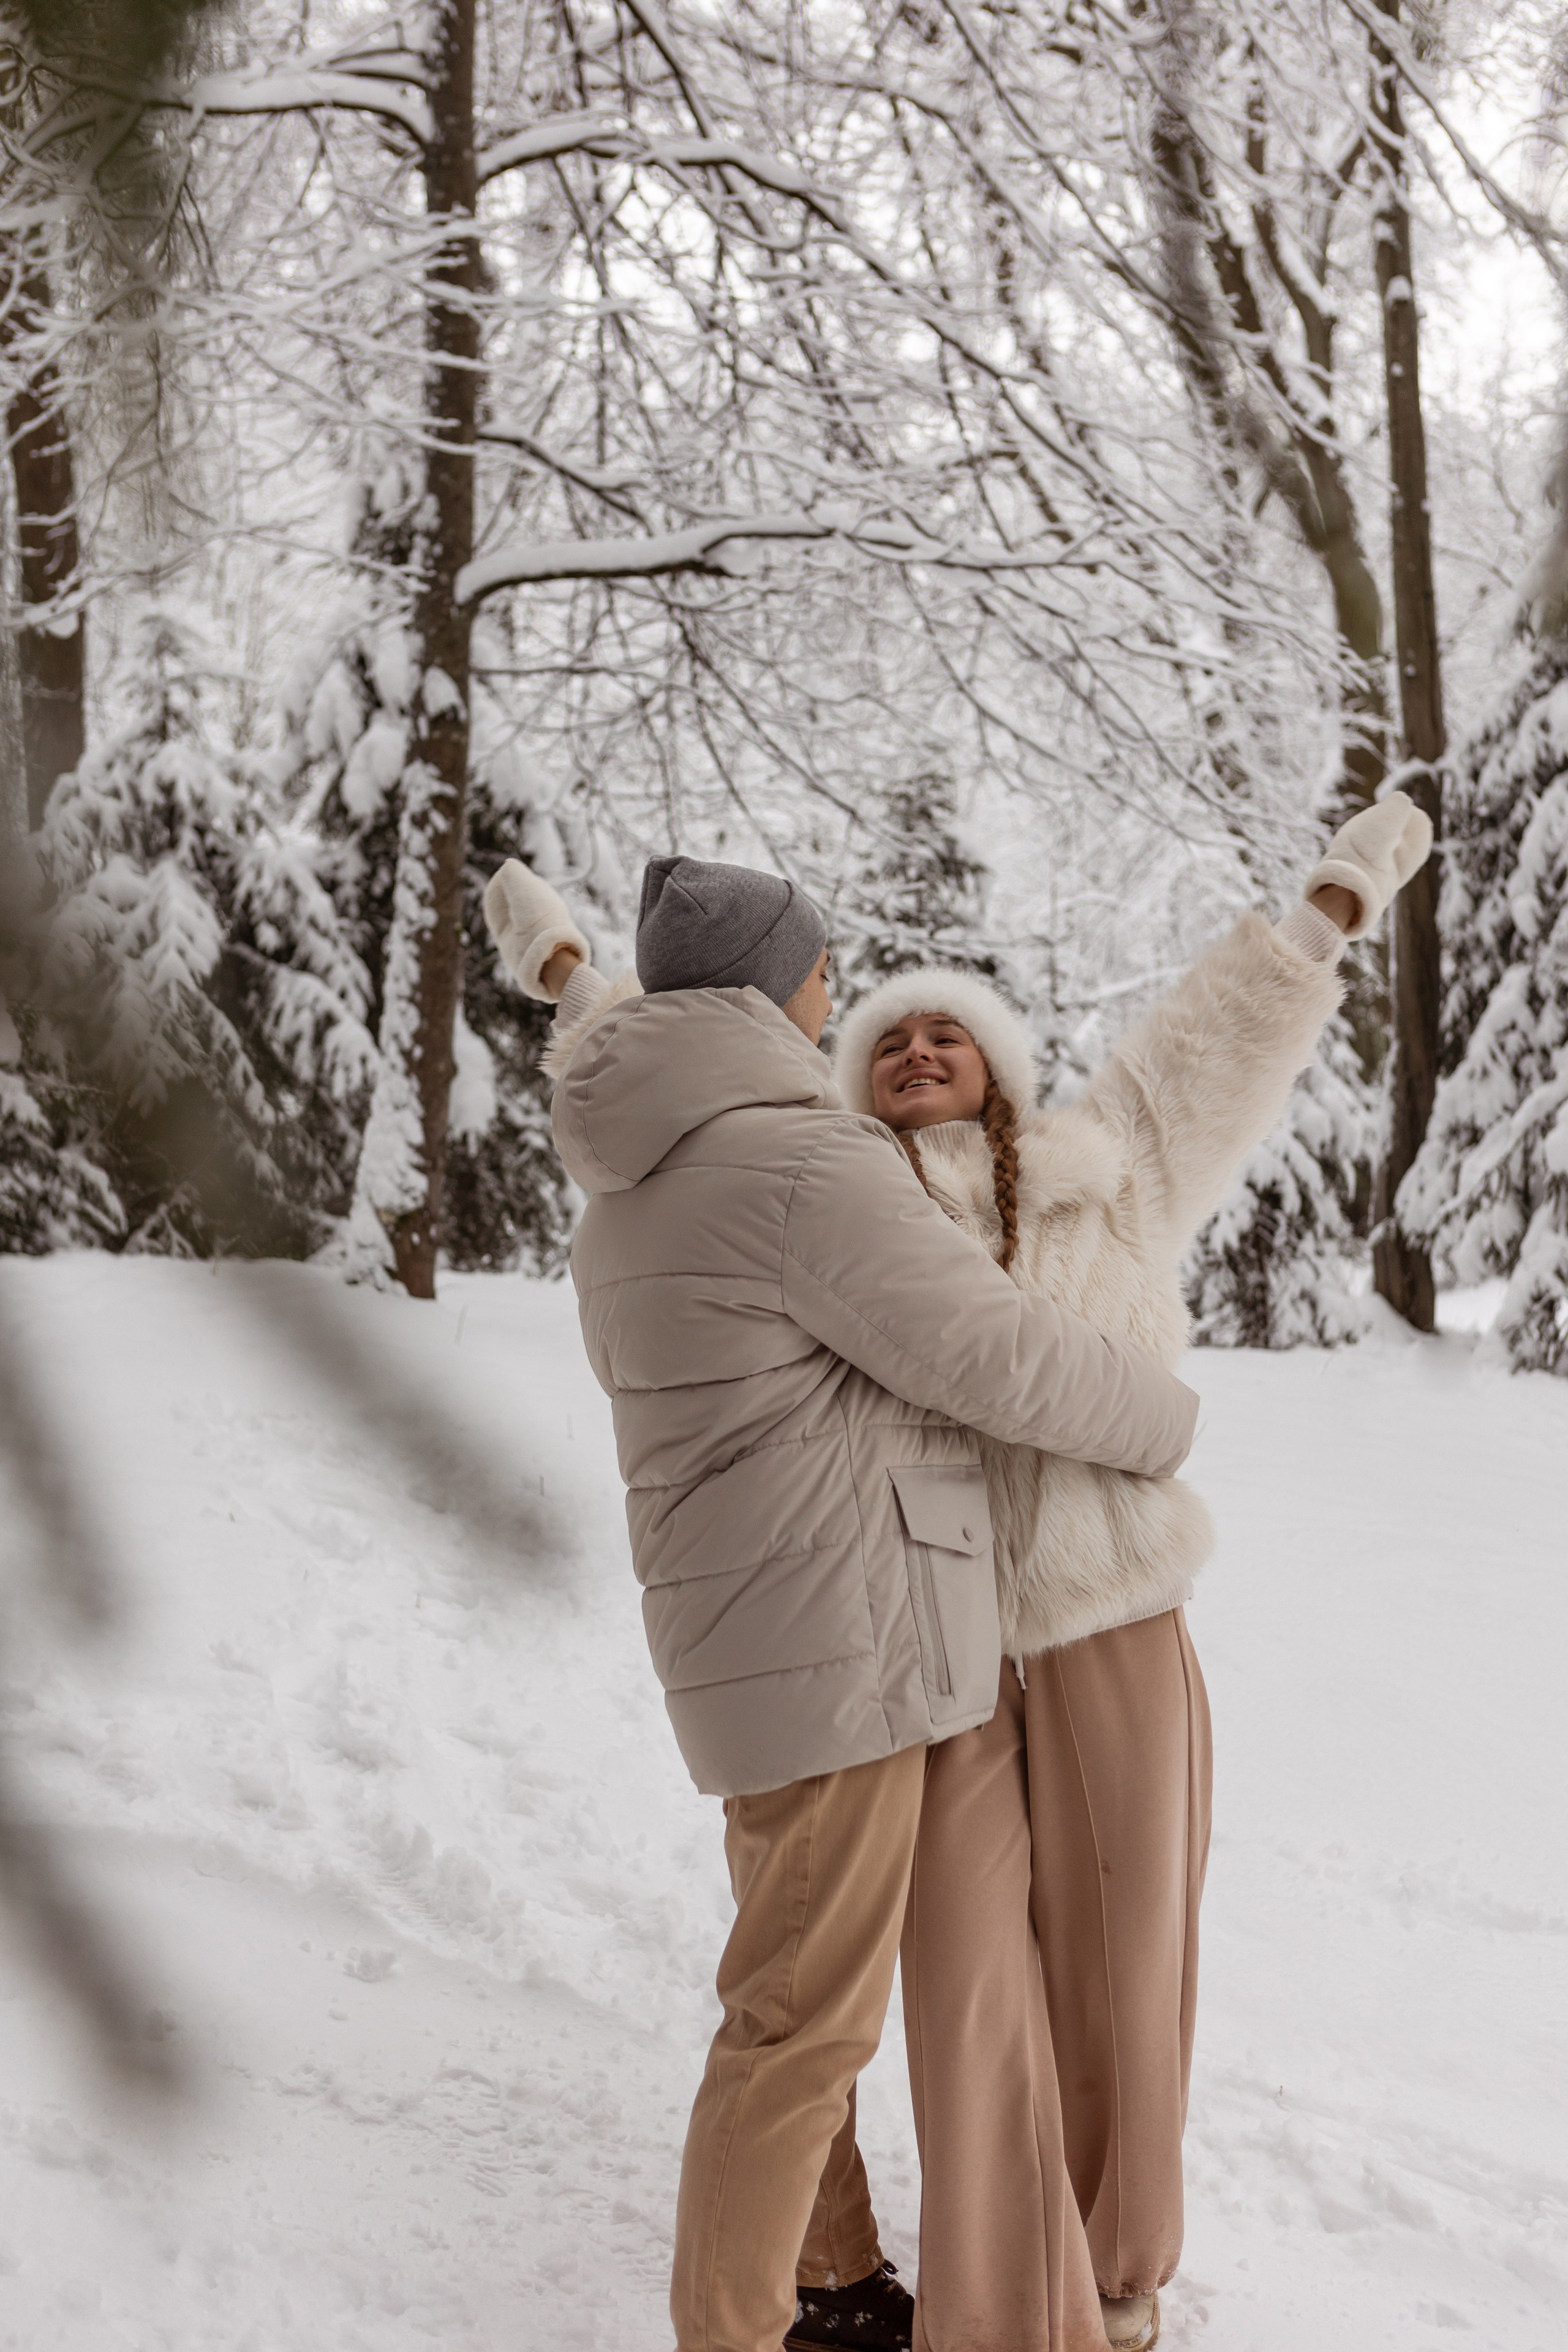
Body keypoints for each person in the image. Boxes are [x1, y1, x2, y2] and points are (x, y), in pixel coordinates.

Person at [483, 850, 1201, 2352]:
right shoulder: (806, 1166)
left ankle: (829, 2277)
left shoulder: (630, 1182)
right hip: (840, 1649)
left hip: (739, 1650)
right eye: (822, 971)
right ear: (775, 986)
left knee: (788, 1988)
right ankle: (736, 2327)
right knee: (795, 2033)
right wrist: (1160, 1422)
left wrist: (559, 967)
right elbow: (989, 1351)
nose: (836, 996)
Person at [823, 792, 1433, 2352]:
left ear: (999, 1069)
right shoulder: (832, 1217)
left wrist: (1327, 904)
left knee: (1122, 1954)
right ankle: (991, 2299)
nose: (916, 1050)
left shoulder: (1108, 1175)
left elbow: (1209, 1046)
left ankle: (1114, 2270)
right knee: (963, 1974)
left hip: (1112, 1621)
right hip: (938, 1652)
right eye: (888, 1042)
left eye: (944, 1034)